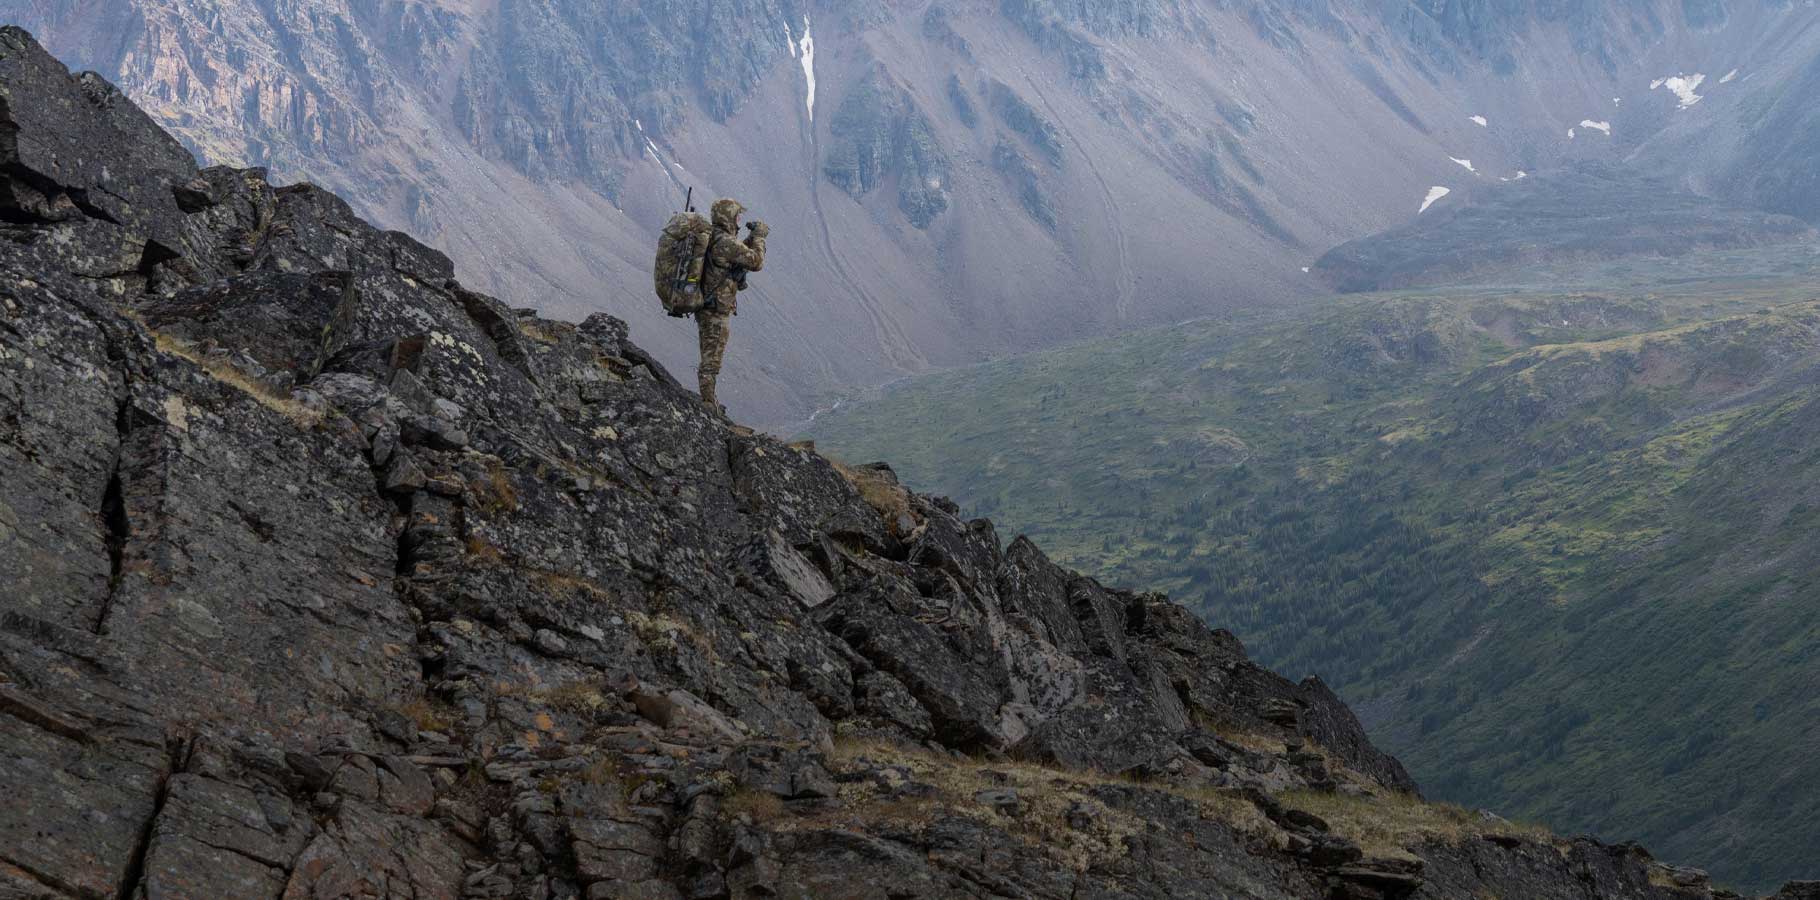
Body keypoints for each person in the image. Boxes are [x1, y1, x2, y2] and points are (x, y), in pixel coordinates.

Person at [696, 198, 767, 413]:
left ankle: (709, 399)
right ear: (728, 217)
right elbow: (756, 261)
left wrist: (750, 238)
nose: (739, 220)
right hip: (715, 310)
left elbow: (737, 253)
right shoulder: (725, 241)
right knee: (712, 358)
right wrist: (760, 238)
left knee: (710, 353)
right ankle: (708, 403)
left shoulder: (717, 238)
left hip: (709, 306)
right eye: (737, 216)